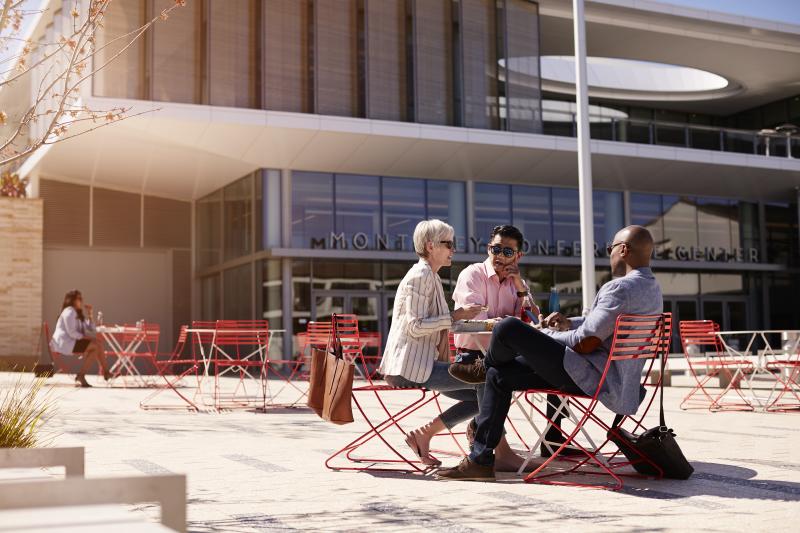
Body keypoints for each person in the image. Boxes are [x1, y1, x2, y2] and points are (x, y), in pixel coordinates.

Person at [437, 225, 663, 481]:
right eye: (495, 249)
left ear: (623, 250)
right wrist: (570, 322)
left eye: (610, 249)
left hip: (589, 376)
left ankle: (484, 366)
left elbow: (585, 342)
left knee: (508, 328)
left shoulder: (619, 288)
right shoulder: (652, 289)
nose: (608, 254)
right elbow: (595, 326)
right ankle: (481, 459)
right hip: (614, 378)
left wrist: (547, 335)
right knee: (499, 376)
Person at [378, 219, 520, 469]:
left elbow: (442, 323)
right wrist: (457, 315)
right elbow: (415, 325)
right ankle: (494, 452)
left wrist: (472, 319)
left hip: (421, 364)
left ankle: (425, 435)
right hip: (410, 368)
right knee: (490, 380)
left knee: (486, 394)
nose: (453, 250)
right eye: (448, 244)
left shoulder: (429, 275)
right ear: (431, 246)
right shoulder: (421, 275)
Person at [452, 224, 569, 467]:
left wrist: (520, 288)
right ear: (488, 248)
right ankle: (486, 445)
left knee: (557, 362)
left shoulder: (518, 283)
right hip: (472, 358)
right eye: (496, 249)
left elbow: (534, 321)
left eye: (507, 252)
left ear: (518, 256)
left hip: (506, 358)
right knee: (501, 369)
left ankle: (553, 437)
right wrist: (509, 326)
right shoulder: (472, 275)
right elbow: (472, 323)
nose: (500, 256)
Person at [50, 289, 111, 387]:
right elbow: (72, 333)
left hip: (72, 342)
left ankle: (98, 373)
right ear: (72, 300)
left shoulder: (77, 313)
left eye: (81, 298)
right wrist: (89, 339)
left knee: (97, 346)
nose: (81, 301)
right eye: (79, 298)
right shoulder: (69, 312)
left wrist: (90, 314)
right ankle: (104, 372)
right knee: (96, 345)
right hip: (65, 343)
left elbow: (92, 329)